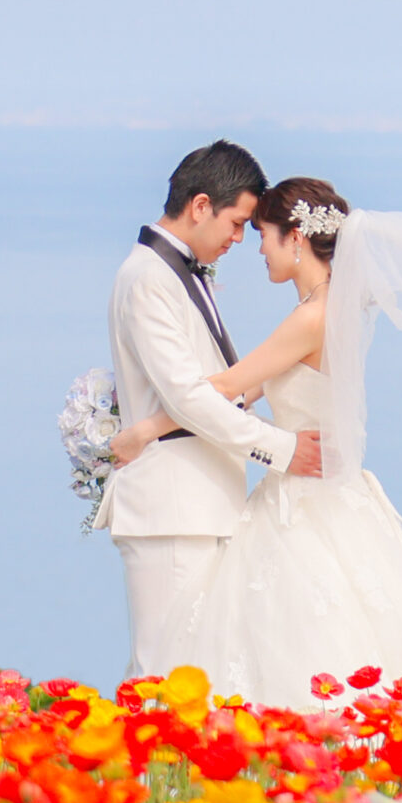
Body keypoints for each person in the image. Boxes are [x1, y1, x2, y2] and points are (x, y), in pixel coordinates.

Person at [111, 176, 402, 704]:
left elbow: (226, 386)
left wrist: (144, 429)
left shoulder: (309, 316)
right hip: (335, 490)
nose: (258, 249)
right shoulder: (338, 308)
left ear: (296, 240)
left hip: (301, 495)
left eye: (264, 234)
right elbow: (247, 393)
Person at [98, 141, 323, 680]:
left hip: (202, 506)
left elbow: (217, 389)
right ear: (201, 205)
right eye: (238, 222)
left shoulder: (180, 272)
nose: (239, 239)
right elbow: (190, 396)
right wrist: (283, 449)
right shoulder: (148, 278)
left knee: (198, 674)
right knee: (166, 678)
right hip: (171, 511)